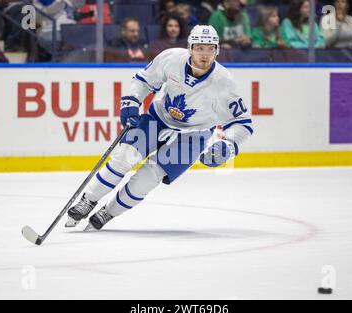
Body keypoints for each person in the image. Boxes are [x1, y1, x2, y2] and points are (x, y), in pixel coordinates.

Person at [65, 25, 253, 231]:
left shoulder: (224, 82)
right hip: (158, 118)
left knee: (148, 177)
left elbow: (242, 122)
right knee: (124, 157)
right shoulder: (172, 58)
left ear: (216, 50)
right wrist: (131, 100)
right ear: (190, 48)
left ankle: (108, 212)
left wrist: (229, 144)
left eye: (210, 49)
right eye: (200, 48)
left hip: (193, 135)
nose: (205, 54)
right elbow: (144, 80)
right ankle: (88, 200)